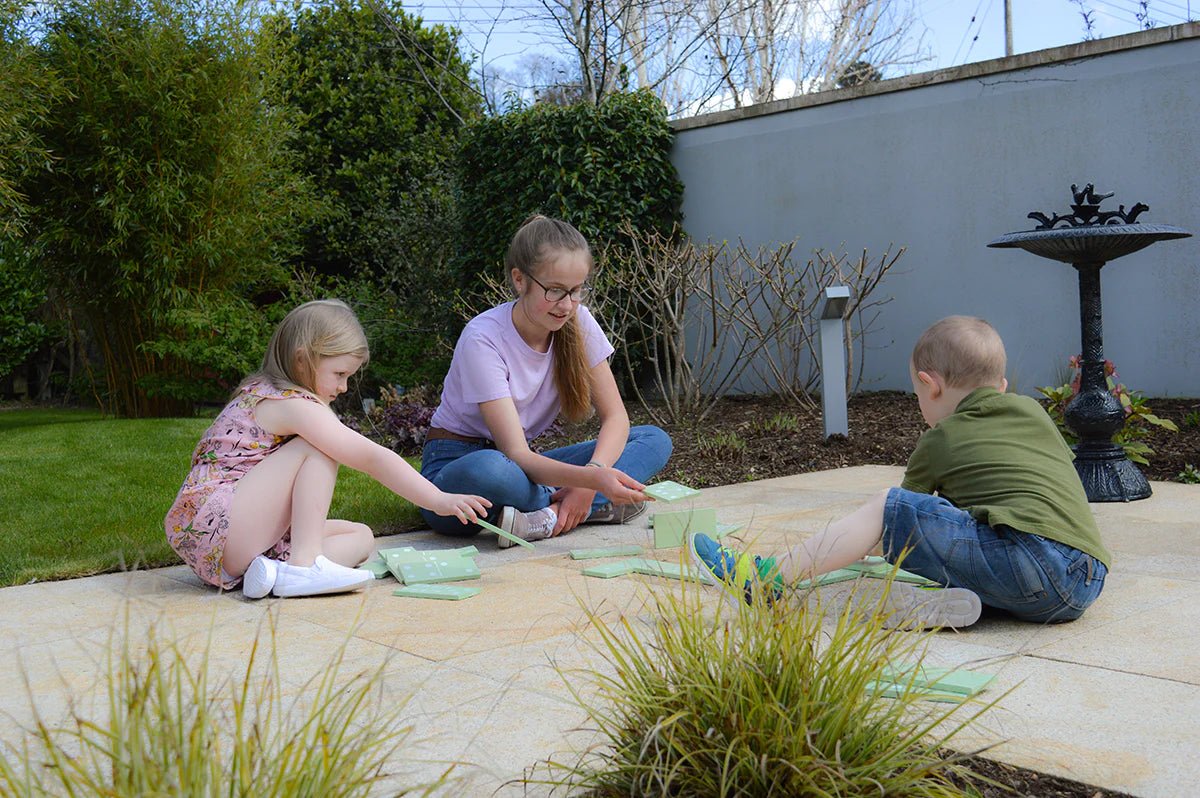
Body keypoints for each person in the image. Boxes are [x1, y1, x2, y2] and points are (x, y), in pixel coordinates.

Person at [689, 315, 1111, 628]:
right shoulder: (1033, 412)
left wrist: (843, 543)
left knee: (887, 507)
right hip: (1085, 579)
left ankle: (766, 578)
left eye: (917, 396)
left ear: (931, 385)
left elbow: (899, 522)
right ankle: (953, 605)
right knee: (976, 533)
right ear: (1000, 387)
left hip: (1034, 565)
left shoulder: (941, 439)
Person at [165, 299, 491, 599]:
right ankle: (302, 568)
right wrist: (438, 499)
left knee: (361, 536)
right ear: (303, 359)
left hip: (233, 537)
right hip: (221, 529)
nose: (344, 386)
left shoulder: (272, 395)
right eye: (339, 374)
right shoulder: (290, 404)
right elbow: (371, 457)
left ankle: (273, 573)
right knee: (318, 448)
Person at [421, 214, 673, 545]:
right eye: (554, 291)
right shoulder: (483, 338)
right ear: (519, 280)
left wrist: (589, 479)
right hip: (459, 475)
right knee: (492, 469)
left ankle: (543, 516)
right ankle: (581, 508)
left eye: (576, 290)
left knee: (652, 439)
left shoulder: (579, 322)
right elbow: (516, 455)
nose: (567, 305)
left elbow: (616, 418)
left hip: (524, 470)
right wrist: (596, 482)